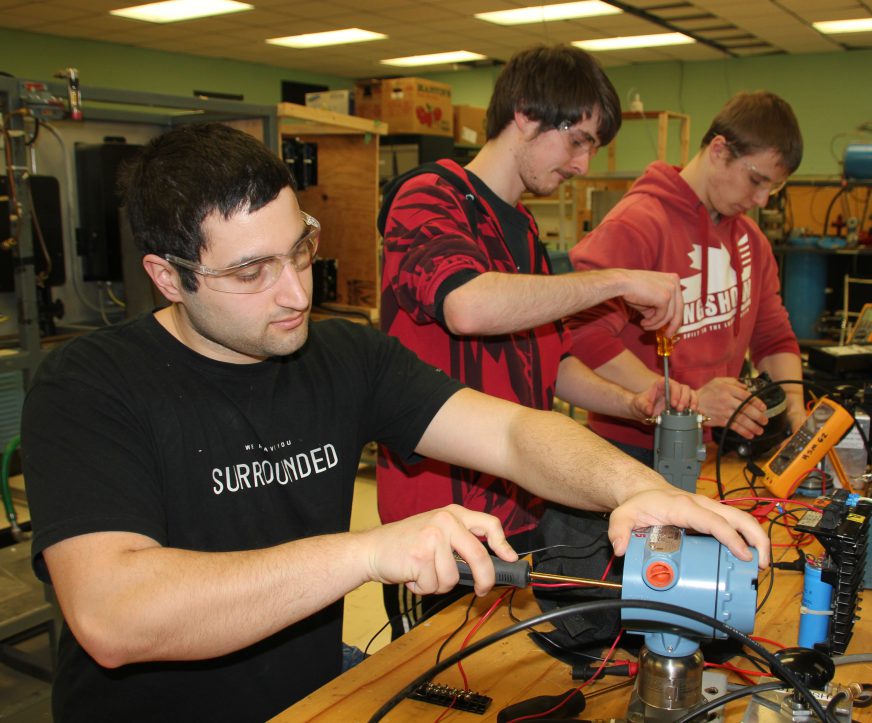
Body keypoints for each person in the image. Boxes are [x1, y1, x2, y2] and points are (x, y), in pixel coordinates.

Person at [20, 122, 767, 722]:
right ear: (166, 276)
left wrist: (630, 488)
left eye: (301, 251)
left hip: (319, 701)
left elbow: (511, 432)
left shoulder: (341, 354)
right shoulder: (89, 384)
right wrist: (368, 552)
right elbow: (114, 615)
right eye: (252, 272)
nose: (294, 293)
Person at [376, 45, 695, 630]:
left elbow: (551, 360)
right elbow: (467, 305)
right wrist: (617, 279)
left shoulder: (522, 227)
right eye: (578, 140)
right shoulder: (429, 196)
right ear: (524, 114)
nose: (582, 164)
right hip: (440, 522)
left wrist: (630, 404)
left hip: (519, 508)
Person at [567, 91, 806, 466]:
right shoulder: (638, 225)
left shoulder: (751, 242)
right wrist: (688, 399)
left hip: (711, 448)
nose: (762, 200)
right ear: (719, 150)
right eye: (756, 180)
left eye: (772, 188)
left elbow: (773, 338)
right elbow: (583, 337)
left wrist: (795, 412)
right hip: (635, 448)